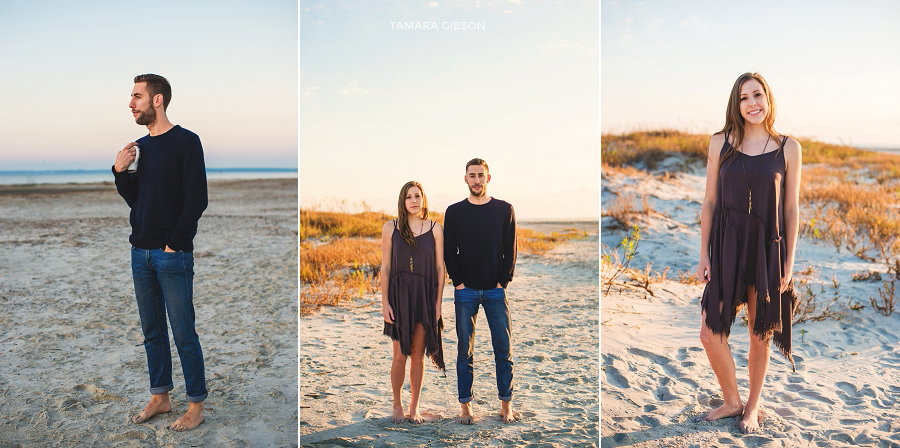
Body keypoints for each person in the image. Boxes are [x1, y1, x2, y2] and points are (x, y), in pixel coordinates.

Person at [695, 72, 801, 434]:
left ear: (768, 99)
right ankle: (731, 400)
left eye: (758, 95)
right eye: (744, 97)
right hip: (726, 243)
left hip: (767, 247)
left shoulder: (789, 148)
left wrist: (789, 260)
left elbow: (790, 209)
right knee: (710, 333)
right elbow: (709, 201)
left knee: (760, 333)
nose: (752, 103)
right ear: (736, 104)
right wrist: (704, 253)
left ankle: (751, 407)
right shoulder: (719, 143)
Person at [112, 74, 208, 431]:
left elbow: (197, 199)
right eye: (131, 97)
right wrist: (120, 172)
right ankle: (161, 397)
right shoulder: (140, 146)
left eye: (137, 96)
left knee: (183, 331)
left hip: (172, 254)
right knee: (152, 330)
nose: (131, 103)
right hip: (140, 253)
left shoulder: (186, 141)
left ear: (157, 100)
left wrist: (175, 243)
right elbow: (139, 201)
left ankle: (196, 405)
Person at [443, 158, 519, 424]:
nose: (476, 180)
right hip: (466, 292)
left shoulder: (504, 209)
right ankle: (465, 407)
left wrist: (502, 282)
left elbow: (511, 250)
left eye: (480, 175)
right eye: (472, 175)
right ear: (465, 179)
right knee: (464, 352)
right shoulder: (454, 212)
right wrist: (458, 283)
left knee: (503, 350)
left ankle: (505, 405)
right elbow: (448, 252)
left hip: (496, 292)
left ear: (489, 178)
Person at [381, 181, 446, 424]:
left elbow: (440, 268)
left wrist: (438, 303)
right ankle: (396, 404)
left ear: (424, 199)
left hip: (425, 297)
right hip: (399, 297)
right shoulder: (391, 228)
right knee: (399, 355)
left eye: (418, 196)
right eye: (409, 197)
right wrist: (384, 301)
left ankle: (414, 406)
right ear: (403, 201)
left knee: (418, 355)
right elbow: (385, 267)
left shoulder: (436, 229)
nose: (414, 200)